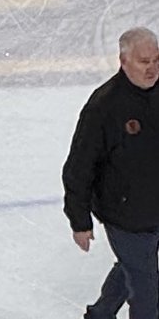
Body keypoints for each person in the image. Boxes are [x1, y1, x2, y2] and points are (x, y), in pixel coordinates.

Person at [63, 27, 159, 319]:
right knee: (146, 292)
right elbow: (79, 167)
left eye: (157, 59)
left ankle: (101, 314)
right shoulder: (104, 107)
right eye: (144, 61)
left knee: (135, 268)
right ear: (124, 60)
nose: (153, 68)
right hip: (126, 217)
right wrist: (80, 221)